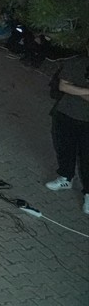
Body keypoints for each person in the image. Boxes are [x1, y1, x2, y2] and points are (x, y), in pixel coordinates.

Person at [46, 59, 89, 215]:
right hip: (66, 113)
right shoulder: (76, 62)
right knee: (64, 148)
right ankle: (65, 177)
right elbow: (63, 86)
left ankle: (88, 194)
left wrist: (75, 89)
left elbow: (69, 87)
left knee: (87, 158)